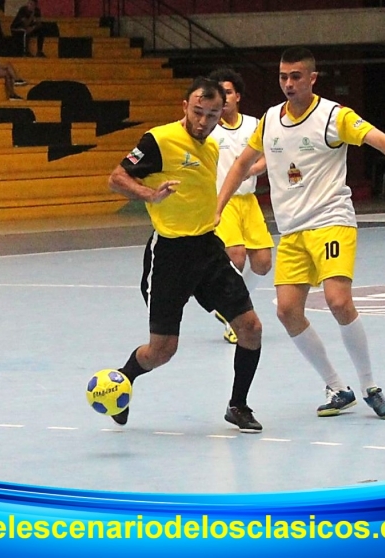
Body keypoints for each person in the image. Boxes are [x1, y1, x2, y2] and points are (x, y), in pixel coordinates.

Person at [217, 47, 385, 419]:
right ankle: (338, 387)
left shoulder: (334, 116)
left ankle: (371, 386)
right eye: (282, 77)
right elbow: (242, 165)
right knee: (287, 311)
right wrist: (217, 206)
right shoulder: (269, 120)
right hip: (292, 230)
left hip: (331, 221)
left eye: (295, 77)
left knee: (338, 301)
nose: (288, 83)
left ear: (312, 78)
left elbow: (379, 139)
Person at [107, 76, 264, 433]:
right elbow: (116, 178)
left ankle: (238, 405)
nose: (203, 121)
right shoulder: (159, 140)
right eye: (198, 112)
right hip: (170, 255)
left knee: (251, 328)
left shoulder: (213, 144)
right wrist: (149, 195)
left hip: (208, 248)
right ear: (184, 107)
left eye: (212, 114)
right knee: (162, 351)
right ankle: (125, 379)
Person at [207, 68, 274, 345]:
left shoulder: (254, 125)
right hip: (222, 200)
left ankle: (229, 306)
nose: (224, 99)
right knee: (235, 256)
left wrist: (252, 169)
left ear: (238, 96)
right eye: (219, 94)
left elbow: (269, 156)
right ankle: (236, 314)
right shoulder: (208, 128)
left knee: (262, 263)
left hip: (249, 200)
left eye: (229, 93)